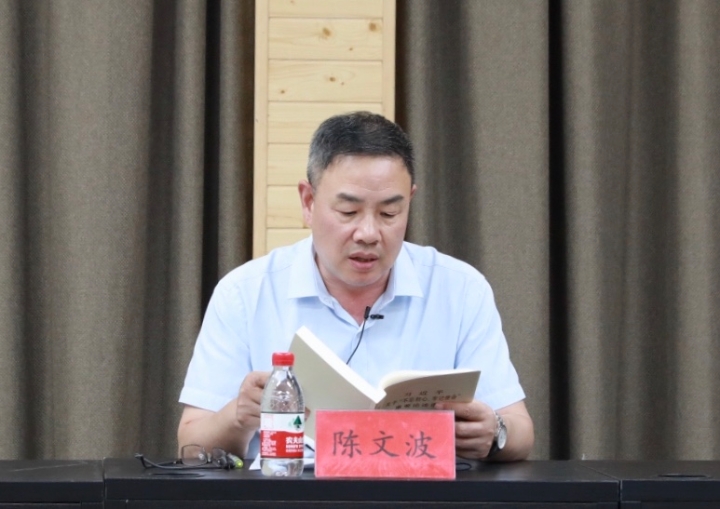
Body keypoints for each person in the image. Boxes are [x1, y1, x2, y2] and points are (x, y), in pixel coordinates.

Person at [177, 111, 534, 461]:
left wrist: (495, 432)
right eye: (348, 212)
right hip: (291, 491)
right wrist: (239, 417)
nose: (368, 233)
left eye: (389, 213)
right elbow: (190, 444)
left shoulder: (460, 289)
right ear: (308, 202)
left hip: (422, 493)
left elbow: (520, 431)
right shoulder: (245, 293)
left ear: (409, 201)